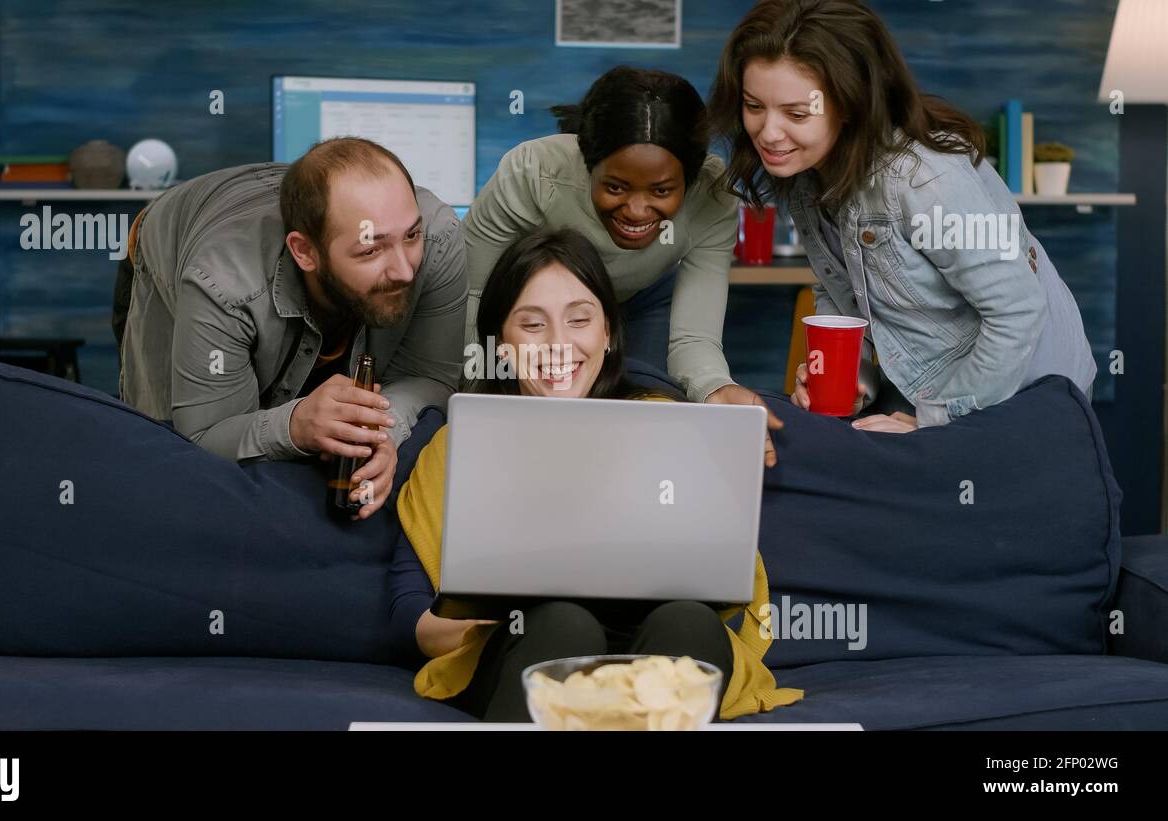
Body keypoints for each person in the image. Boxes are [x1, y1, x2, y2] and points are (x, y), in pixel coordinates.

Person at [389, 227, 805, 722]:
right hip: (524, 645)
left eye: (579, 320)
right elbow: (409, 618)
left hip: (654, 643)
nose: (559, 344)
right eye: (533, 324)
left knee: (690, 621)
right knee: (563, 624)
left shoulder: (669, 427)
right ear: (501, 343)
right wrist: (495, 614)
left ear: (607, 333)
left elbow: (721, 587)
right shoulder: (459, 446)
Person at [708, 0, 1097, 432]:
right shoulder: (808, 176)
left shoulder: (923, 179)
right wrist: (855, 376)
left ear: (851, 103)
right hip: (936, 396)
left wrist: (933, 422)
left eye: (797, 113)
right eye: (754, 106)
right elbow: (843, 291)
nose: (768, 132)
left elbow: (1018, 311)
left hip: (1030, 403)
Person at [113, 138, 466, 518]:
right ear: (304, 251)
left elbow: (429, 374)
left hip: (293, 226)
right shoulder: (220, 283)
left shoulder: (439, 236)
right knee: (164, 469)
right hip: (172, 244)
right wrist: (295, 425)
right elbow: (201, 436)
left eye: (410, 236)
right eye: (371, 250)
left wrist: (382, 434)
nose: (405, 271)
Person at [464, 65, 784, 465]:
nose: (635, 211)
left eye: (662, 190)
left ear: (691, 178)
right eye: (615, 187)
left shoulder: (713, 197)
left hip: (646, 298)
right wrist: (476, 399)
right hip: (545, 316)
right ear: (587, 163)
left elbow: (693, 340)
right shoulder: (531, 173)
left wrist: (714, 389)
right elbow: (475, 295)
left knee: (639, 423)